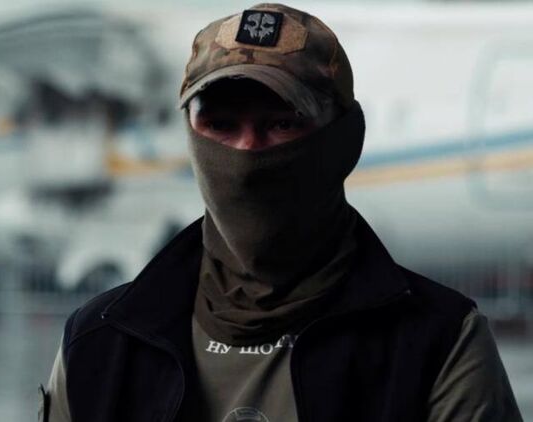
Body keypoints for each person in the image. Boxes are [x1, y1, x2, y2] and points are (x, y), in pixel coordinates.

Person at [39, 3, 523, 421]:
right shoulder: (101, 344)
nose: (246, 153)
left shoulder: (439, 347)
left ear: (344, 140)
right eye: (220, 125)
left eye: (283, 124)